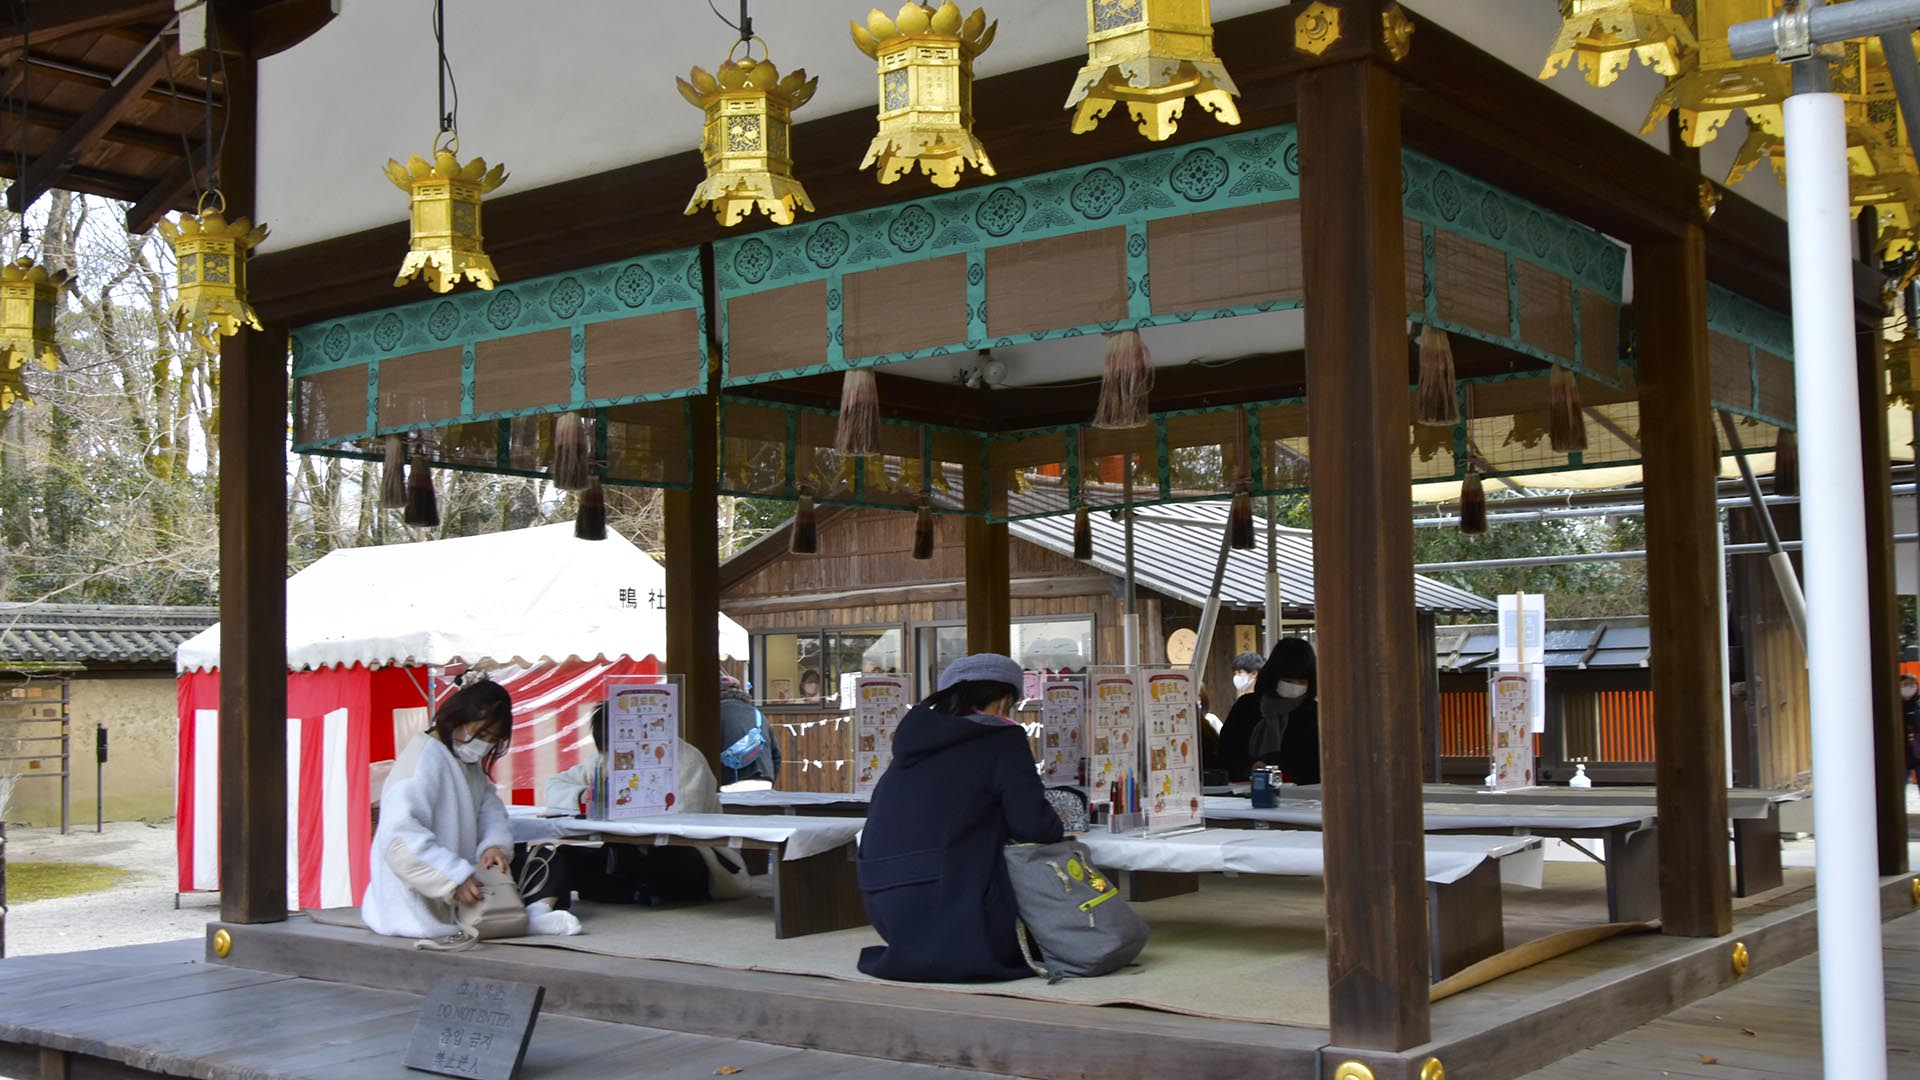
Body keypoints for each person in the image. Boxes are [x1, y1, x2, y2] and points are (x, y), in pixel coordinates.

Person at [855, 653, 1064, 983]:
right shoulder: (1002, 740)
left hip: (889, 916)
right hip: (965, 918)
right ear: (1005, 699)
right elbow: (1035, 826)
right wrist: (1061, 825)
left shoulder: (912, 743)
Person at [530, 703, 748, 908]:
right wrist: (580, 795)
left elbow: (681, 823)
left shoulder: (687, 760)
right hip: (627, 851)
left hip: (692, 853)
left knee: (666, 856)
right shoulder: (606, 760)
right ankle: (636, 890)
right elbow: (554, 785)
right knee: (562, 856)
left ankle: (630, 889)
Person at [363, 680, 518, 938]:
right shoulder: (422, 761)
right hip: (410, 912)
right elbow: (399, 840)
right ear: (458, 718)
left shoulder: (464, 762)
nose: (484, 746)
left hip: (447, 907)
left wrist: (494, 845)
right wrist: (452, 877)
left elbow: (489, 808)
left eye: (491, 740)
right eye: (481, 735)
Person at [1216, 638, 1321, 785]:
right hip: (1245, 797)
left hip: (1303, 799)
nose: (1294, 686)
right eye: (1287, 679)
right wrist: (1249, 767)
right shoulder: (1246, 707)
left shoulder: (1315, 715)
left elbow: (1323, 765)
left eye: (1302, 681)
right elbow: (1225, 755)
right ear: (1273, 676)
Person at [718, 674, 781, 786]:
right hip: (764, 782)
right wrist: (770, 780)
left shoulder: (715, 714)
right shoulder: (758, 715)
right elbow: (776, 755)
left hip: (730, 783)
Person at [1903, 672, 1919, 786]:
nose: (1909, 687)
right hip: (1902, 753)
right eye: (1905, 684)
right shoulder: (1895, 705)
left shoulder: (1918, 703)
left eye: (1912, 684)